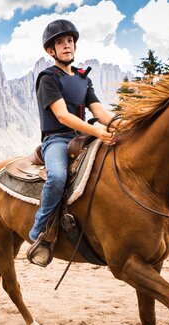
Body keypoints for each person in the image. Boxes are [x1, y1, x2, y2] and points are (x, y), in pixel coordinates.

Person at [27, 19, 118, 267]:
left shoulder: (82, 79)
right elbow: (62, 116)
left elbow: (98, 111)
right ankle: (39, 232)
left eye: (70, 41)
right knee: (57, 176)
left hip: (82, 137)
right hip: (57, 139)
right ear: (50, 50)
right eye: (60, 42)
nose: (67, 45)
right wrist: (98, 132)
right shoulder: (48, 78)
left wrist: (118, 124)